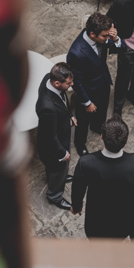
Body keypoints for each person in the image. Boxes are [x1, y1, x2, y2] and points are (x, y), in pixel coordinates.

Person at [71, 116, 134, 240]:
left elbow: (78, 189)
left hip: (98, 219)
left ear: (102, 136)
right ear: (127, 139)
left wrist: (77, 207)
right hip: (128, 216)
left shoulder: (86, 163)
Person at [67, 12, 123, 155]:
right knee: (83, 121)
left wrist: (116, 38)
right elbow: (76, 82)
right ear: (92, 34)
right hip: (87, 91)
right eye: (105, 36)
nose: (108, 38)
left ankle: (97, 127)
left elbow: (118, 49)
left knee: (102, 111)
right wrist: (87, 102)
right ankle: (80, 143)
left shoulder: (102, 37)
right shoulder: (76, 53)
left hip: (102, 81)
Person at [35, 62, 77, 210]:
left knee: (57, 171)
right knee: (58, 168)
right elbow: (50, 136)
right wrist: (62, 152)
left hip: (59, 131)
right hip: (54, 147)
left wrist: (69, 116)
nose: (72, 85)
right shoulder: (48, 107)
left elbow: (62, 99)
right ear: (57, 83)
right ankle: (54, 195)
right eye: (69, 83)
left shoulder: (49, 78)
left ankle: (60, 177)